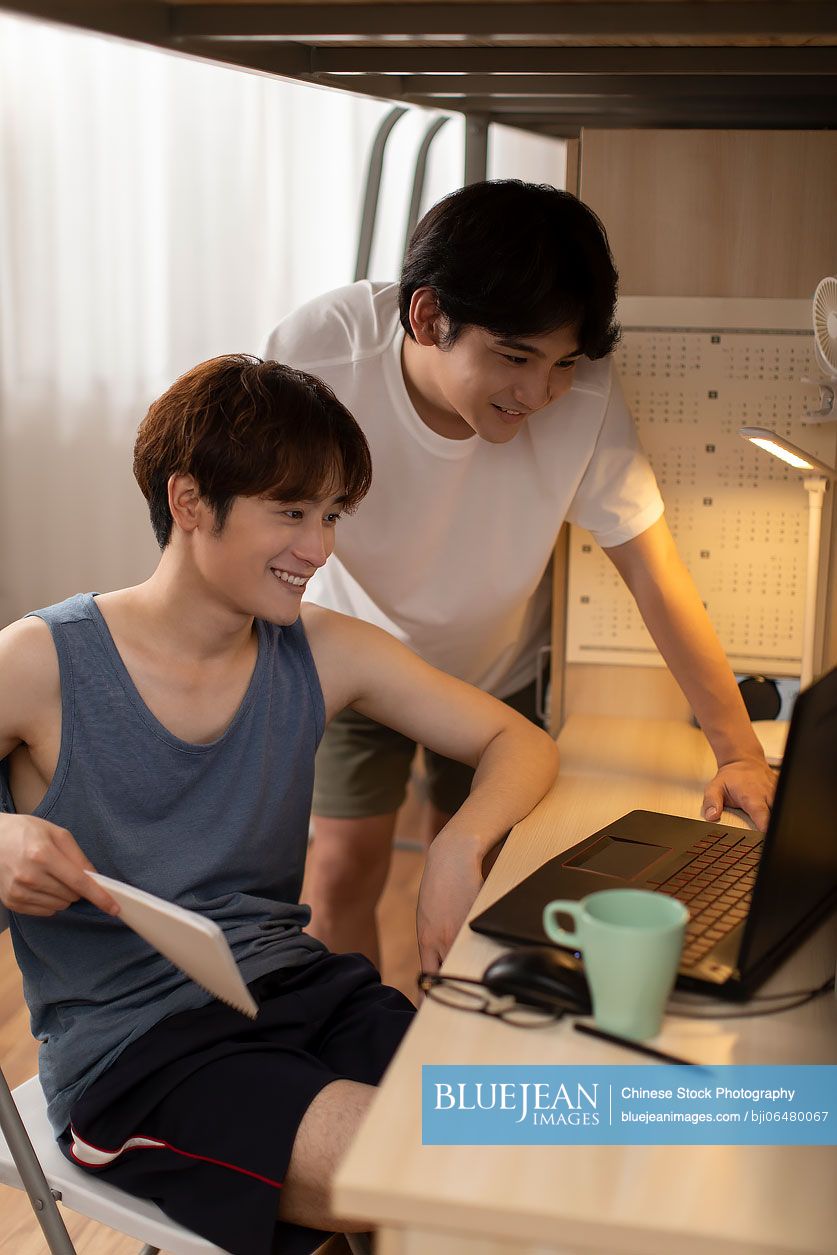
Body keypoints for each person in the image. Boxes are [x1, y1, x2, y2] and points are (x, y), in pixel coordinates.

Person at [0, 355, 558, 1255]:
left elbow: (520, 742)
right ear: (188, 502)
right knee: (435, 1161)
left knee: (529, 1119)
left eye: (331, 515)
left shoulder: (324, 652)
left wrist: (456, 846)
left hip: (299, 990)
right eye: (290, 512)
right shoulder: (40, 660)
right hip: (142, 1053)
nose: (319, 548)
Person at [262, 179, 777, 964]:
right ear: (428, 316)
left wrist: (737, 751)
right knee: (337, 873)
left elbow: (653, 571)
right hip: (355, 654)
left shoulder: (586, 401)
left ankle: (444, 1055)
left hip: (497, 676)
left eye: (563, 361)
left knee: (471, 874)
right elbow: (253, 530)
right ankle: (367, 1065)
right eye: (513, 356)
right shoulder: (318, 356)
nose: (540, 391)